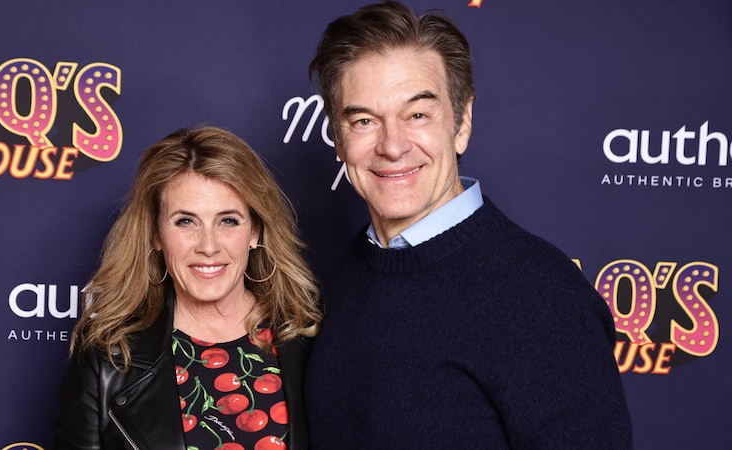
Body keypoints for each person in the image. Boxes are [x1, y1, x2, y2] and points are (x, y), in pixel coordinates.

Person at [303, 2, 633, 448]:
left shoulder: (543, 296)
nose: (392, 145)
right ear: (340, 141)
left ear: (462, 123)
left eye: (417, 115)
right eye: (364, 121)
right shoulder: (356, 267)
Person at [54, 125, 322, 450]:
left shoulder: (311, 340)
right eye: (186, 221)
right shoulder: (108, 358)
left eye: (228, 221)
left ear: (256, 231)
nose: (208, 246)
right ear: (155, 235)